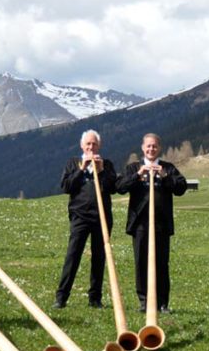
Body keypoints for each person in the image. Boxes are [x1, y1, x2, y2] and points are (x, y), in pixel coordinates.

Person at [115, 133, 187, 313]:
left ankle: (162, 303)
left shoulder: (168, 168)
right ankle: (144, 301)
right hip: (140, 224)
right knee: (141, 263)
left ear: (159, 148)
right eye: (148, 146)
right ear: (142, 148)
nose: (151, 149)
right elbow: (120, 187)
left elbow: (181, 188)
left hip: (161, 224)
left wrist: (164, 176)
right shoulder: (134, 167)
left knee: (162, 263)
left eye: (154, 146)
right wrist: (138, 175)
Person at [54, 130, 116, 309]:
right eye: (88, 144)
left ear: (99, 146)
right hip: (80, 216)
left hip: (102, 217)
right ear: (82, 146)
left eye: (94, 144)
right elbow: (66, 186)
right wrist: (82, 169)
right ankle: (61, 297)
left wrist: (101, 171)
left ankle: (95, 298)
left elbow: (113, 188)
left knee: (99, 257)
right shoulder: (73, 163)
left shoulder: (107, 164)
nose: (91, 147)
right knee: (73, 255)